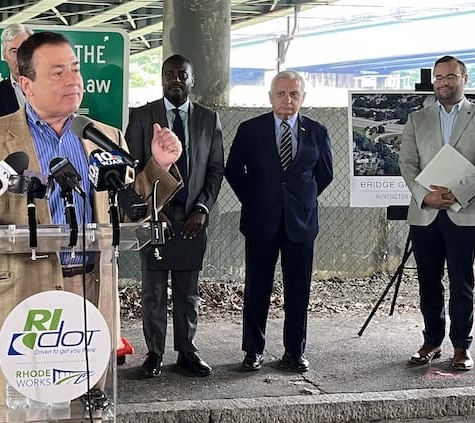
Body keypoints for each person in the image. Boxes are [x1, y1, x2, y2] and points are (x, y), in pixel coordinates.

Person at [0, 31, 183, 408]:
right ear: (26, 84)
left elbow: (127, 210)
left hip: (91, 287)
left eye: (75, 69)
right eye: (58, 72)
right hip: (26, 289)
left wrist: (158, 165)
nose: (73, 80)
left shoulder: (105, 137)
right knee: (28, 404)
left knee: (86, 404)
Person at [224, 70, 333, 373]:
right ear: (271, 97)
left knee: (298, 291)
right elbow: (233, 171)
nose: (288, 100)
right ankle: (253, 350)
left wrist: (299, 199)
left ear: (303, 97)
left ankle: (294, 352)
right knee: (257, 288)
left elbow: (324, 175)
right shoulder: (250, 130)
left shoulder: (318, 131)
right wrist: (254, 198)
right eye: (281, 94)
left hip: (301, 223)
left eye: (294, 94)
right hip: (261, 221)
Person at [125, 54, 224, 378]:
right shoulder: (142, 116)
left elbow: (215, 169)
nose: (175, 80)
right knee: (153, 290)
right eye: (170, 74)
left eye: (182, 75)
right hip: (155, 218)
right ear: (162, 78)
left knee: (188, 290)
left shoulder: (209, 119)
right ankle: (154, 353)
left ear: (192, 80)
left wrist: (202, 208)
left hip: (193, 219)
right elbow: (132, 169)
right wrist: (154, 210)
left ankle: (187, 352)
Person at [399, 55, 475, 371]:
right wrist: (425, 195)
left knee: (461, 281)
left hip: (464, 211)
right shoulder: (417, 119)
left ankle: (461, 346)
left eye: (451, 76)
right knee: (428, 281)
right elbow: (407, 164)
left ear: (464, 79)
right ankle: (432, 342)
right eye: (439, 77)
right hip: (425, 212)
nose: (444, 82)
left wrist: (456, 193)